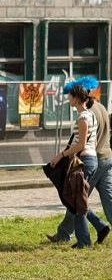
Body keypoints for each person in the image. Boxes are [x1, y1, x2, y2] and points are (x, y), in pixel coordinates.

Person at [47, 77, 112, 246]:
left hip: (92, 158)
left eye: (70, 96)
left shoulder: (87, 114)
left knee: (76, 199)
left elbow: (82, 143)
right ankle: (88, 230)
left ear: (79, 95)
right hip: (105, 158)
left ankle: (74, 236)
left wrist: (62, 155)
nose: (69, 99)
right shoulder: (101, 109)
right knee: (100, 199)